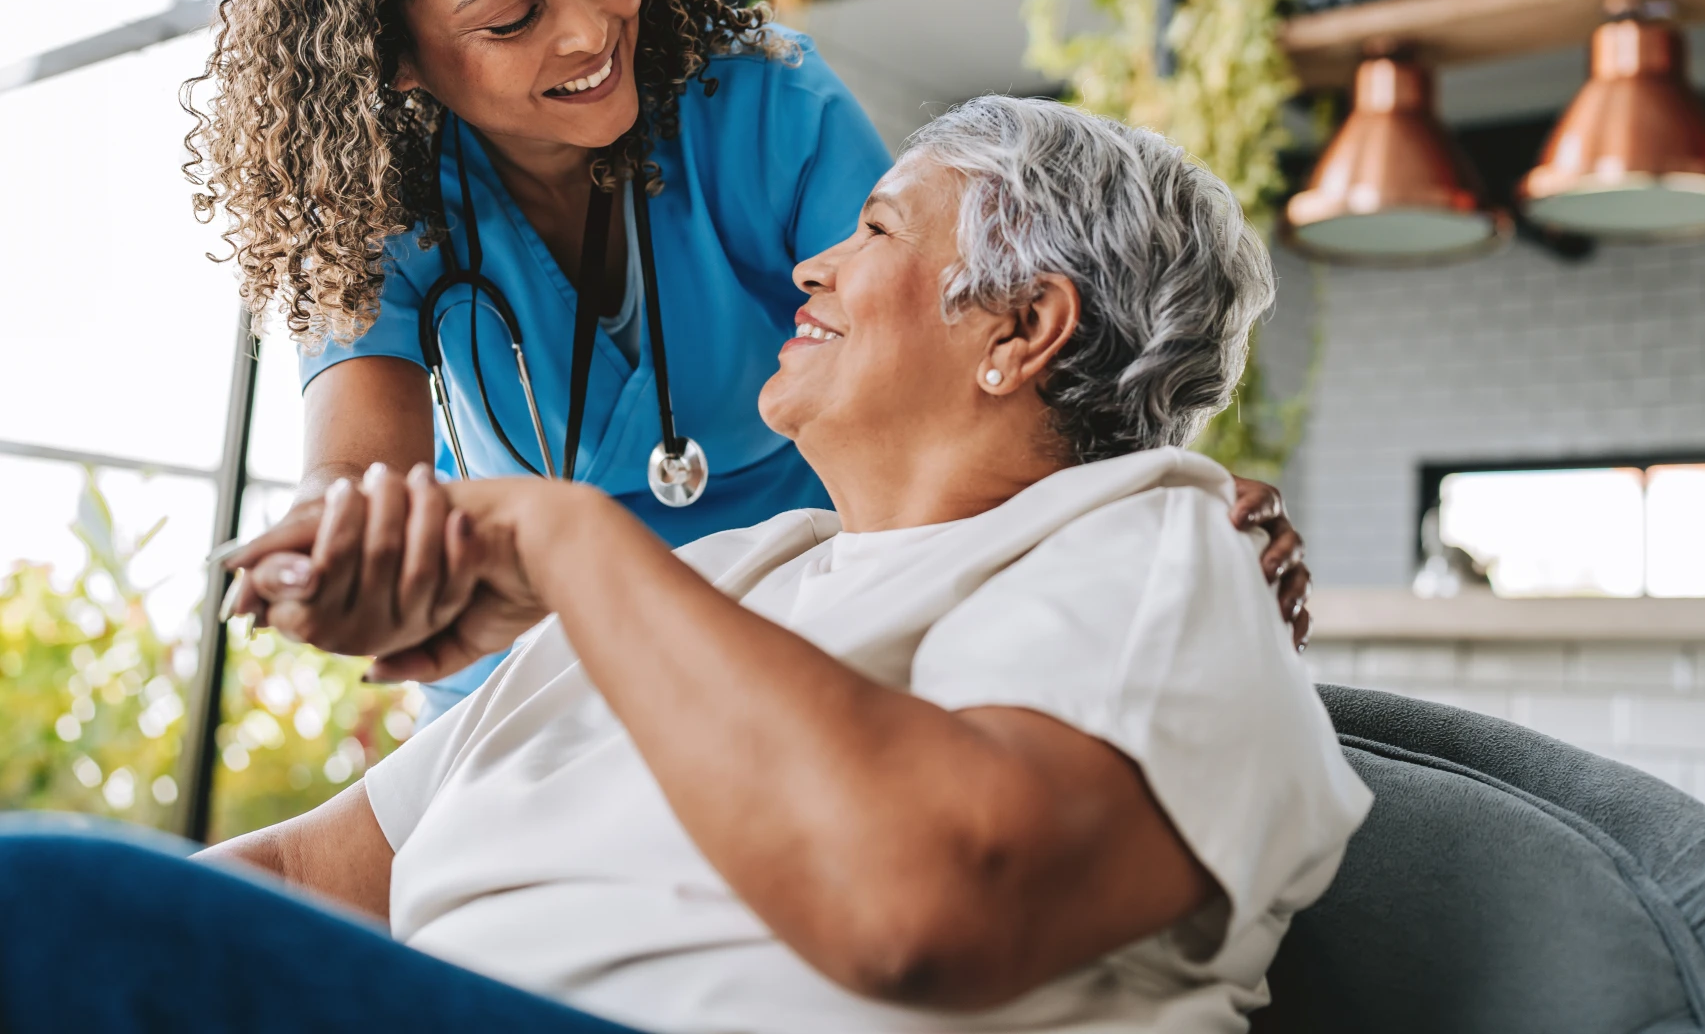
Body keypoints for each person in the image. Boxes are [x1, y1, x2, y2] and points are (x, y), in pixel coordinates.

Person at [0, 98, 1370, 1034]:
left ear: (1020, 327)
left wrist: (564, 531)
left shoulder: (1148, 553)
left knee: (49, 906)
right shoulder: (730, 578)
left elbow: (923, 907)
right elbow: (304, 880)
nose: (812, 269)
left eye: (878, 231)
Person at [182, 0, 1312, 719]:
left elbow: (963, 360)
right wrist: (338, 555)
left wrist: (1154, 510)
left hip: (789, 649)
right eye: (513, 16)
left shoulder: (764, 107)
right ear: (398, 62)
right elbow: (357, 481)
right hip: (523, 693)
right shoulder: (387, 203)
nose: (587, 30)